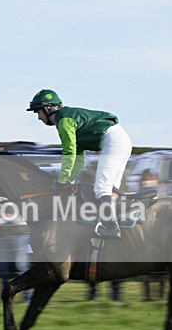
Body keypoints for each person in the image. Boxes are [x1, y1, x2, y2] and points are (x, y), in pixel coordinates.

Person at [28, 89, 132, 238]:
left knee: (102, 188)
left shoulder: (64, 121)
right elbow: (79, 157)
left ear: (48, 108)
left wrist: (63, 179)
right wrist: (70, 179)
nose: (39, 117)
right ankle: (117, 224)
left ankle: (112, 228)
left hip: (113, 141)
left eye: (38, 112)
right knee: (111, 189)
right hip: (120, 139)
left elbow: (69, 152)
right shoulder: (69, 119)